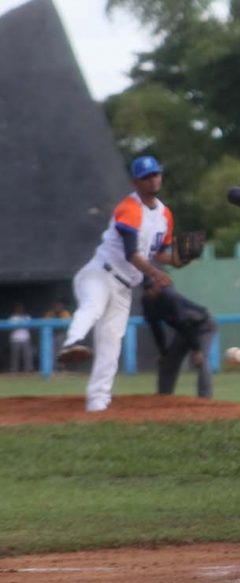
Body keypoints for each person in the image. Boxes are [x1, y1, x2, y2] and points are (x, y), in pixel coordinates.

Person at [57, 155, 184, 412]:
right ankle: (72, 343)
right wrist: (157, 274)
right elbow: (132, 254)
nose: (153, 180)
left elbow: (159, 253)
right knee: (92, 307)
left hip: (125, 286)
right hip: (99, 274)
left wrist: (179, 260)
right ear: (136, 181)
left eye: (156, 174)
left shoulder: (165, 215)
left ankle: (98, 403)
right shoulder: (129, 208)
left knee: (111, 342)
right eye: (147, 177)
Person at [142, 285, 217, 399]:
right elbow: (155, 327)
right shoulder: (147, 301)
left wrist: (197, 350)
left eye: (151, 287)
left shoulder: (171, 297)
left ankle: (205, 398)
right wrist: (163, 352)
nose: (149, 291)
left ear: (157, 287)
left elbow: (184, 323)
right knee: (168, 361)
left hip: (203, 325)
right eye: (146, 289)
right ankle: (163, 397)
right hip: (185, 330)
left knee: (201, 360)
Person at [43, 301, 72, 371]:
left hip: (61, 334)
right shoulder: (50, 313)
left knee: (62, 351)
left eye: (59, 306)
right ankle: (53, 368)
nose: (58, 307)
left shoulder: (65, 313)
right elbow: (44, 321)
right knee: (52, 352)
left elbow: (68, 322)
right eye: (56, 306)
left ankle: (62, 368)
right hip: (52, 334)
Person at [7, 302, 33, 373]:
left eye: (21, 308)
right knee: (15, 357)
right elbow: (10, 328)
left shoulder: (27, 316)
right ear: (15, 309)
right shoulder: (12, 317)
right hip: (15, 339)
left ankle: (28, 371)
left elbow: (30, 327)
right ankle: (14, 371)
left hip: (26, 339)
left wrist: (20, 324)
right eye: (18, 308)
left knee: (27, 356)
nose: (20, 309)